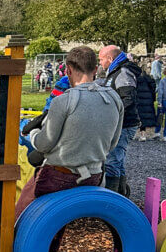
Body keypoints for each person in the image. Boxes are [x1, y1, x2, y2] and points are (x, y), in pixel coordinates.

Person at [15, 46, 123, 217]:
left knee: (22, 212)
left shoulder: (63, 101)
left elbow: (44, 144)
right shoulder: (115, 99)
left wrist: (33, 132)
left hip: (59, 176)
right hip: (94, 177)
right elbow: (112, 143)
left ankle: (14, 239)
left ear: (68, 70)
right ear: (95, 69)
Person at [99, 45, 141, 196]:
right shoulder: (115, 72)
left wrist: (112, 114)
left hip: (124, 124)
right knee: (118, 160)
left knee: (112, 160)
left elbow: (128, 99)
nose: (100, 63)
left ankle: (111, 198)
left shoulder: (123, 72)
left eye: (101, 60)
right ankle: (122, 194)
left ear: (110, 59)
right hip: (121, 123)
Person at [134, 69, 159, 141]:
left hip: (139, 101)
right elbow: (153, 91)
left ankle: (135, 134)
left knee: (138, 118)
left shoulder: (137, 80)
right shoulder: (150, 80)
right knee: (144, 119)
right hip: (148, 101)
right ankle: (143, 135)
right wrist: (153, 99)